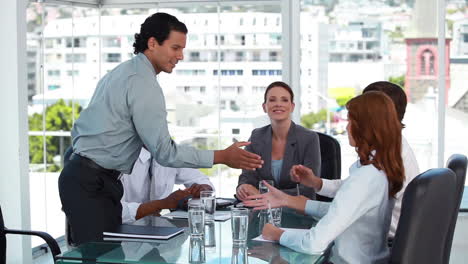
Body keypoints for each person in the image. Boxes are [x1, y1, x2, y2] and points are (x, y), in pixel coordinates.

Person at [58, 12, 263, 245]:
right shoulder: (142, 82)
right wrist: (222, 156)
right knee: (101, 256)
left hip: (90, 178)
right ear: (152, 43)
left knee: (109, 255)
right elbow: (165, 152)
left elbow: (80, 129)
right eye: (175, 48)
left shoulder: (122, 72)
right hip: (91, 182)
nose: (181, 56)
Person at [245, 91, 405, 263]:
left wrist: (277, 234)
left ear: (366, 127)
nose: (346, 127)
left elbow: (313, 244)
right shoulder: (379, 170)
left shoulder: (365, 178)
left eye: (351, 121)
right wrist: (287, 199)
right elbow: (339, 210)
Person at [236, 81, 321, 200]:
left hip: (297, 213)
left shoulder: (309, 138)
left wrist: (265, 196)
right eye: (272, 100)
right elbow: (247, 177)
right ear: (264, 107)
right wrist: (243, 187)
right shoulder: (256, 136)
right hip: (262, 212)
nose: (278, 104)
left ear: (292, 107)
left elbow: (308, 190)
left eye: (284, 100)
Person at [362, 81, 420, 238]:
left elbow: (350, 208)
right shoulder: (395, 145)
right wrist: (318, 184)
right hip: (391, 239)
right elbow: (353, 189)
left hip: (381, 242)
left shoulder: (385, 157)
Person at [121, 147, 214, 223]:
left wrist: (202, 188)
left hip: (159, 230)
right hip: (122, 234)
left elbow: (201, 179)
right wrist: (162, 204)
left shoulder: (169, 153)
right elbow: (115, 211)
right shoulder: (119, 158)